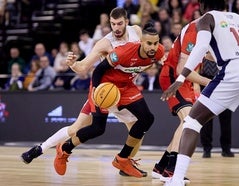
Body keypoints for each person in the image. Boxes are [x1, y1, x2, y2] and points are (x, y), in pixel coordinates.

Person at [21, 7, 145, 176]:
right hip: (104, 90)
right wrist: (73, 64)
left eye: (119, 24)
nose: (116, 27)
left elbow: (144, 54)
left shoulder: (136, 32)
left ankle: (125, 164)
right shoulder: (105, 43)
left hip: (124, 90)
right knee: (76, 129)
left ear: (127, 22)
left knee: (138, 131)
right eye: (113, 24)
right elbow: (83, 67)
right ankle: (40, 149)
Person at [161, 0, 239, 185]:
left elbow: (201, 46)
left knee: (192, 122)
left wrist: (180, 79)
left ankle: (176, 179)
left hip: (234, 69)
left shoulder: (206, 18)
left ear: (202, 5)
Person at [53, 22, 165, 178]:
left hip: (126, 85)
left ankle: (122, 159)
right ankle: (64, 148)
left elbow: (147, 64)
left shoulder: (158, 52)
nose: (153, 47)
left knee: (147, 118)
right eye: (149, 43)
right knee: (98, 128)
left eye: (156, 43)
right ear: (141, 42)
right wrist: (96, 90)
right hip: (105, 86)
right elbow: (98, 70)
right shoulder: (122, 52)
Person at [152, 20, 210, 183]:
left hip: (187, 80)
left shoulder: (208, 31)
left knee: (188, 122)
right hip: (173, 78)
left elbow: (197, 62)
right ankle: (171, 170)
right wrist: (212, 82)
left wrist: (196, 86)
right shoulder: (194, 31)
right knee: (187, 121)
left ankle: (161, 167)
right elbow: (181, 69)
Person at [199, 56, 234, 158]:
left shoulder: (226, 48)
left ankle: (226, 148)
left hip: (225, 81)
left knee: (226, 118)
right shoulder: (204, 44)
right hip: (206, 80)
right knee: (205, 119)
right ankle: (206, 149)